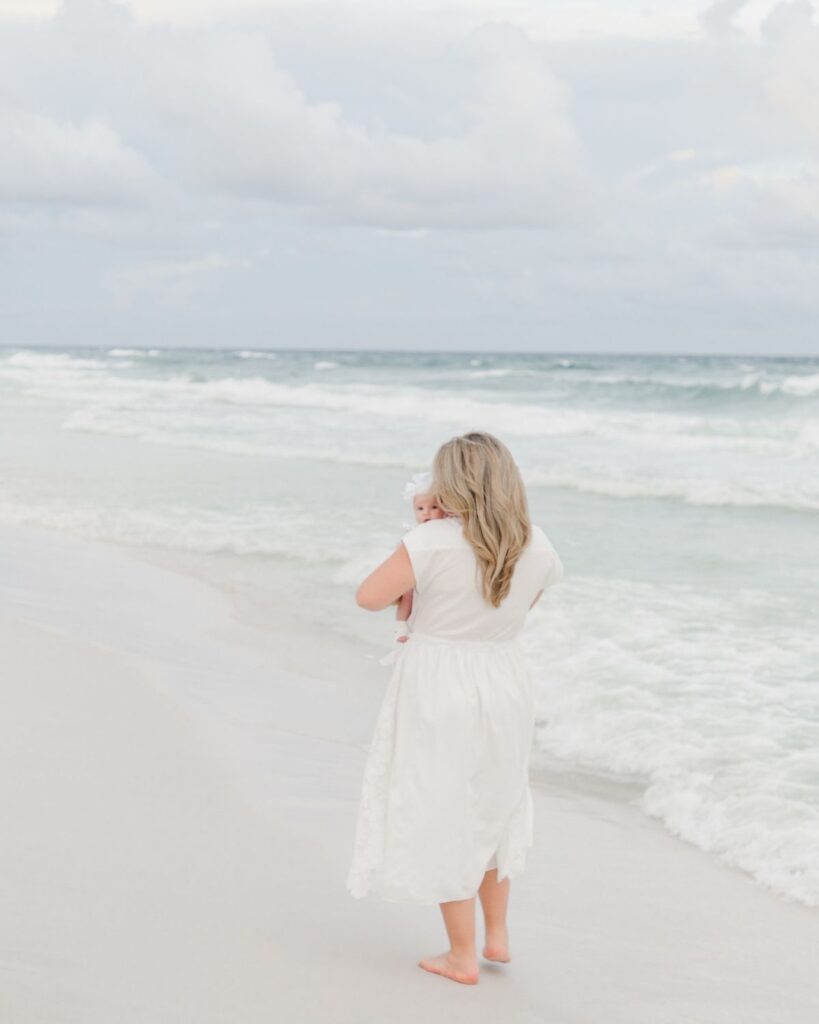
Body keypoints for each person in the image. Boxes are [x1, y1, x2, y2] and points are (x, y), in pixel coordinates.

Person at [347, 431, 564, 985]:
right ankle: (497, 934)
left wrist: (419, 546)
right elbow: (527, 602)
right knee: (496, 804)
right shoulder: (535, 542)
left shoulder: (432, 540)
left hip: (439, 680)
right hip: (505, 678)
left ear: (451, 483)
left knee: (447, 809)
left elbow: (369, 597)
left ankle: (461, 956)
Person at [391, 471, 446, 647]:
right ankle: (400, 628)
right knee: (408, 595)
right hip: (416, 575)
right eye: (420, 509)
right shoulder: (415, 533)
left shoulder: (447, 531)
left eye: (434, 508)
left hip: (436, 579)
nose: (426, 513)